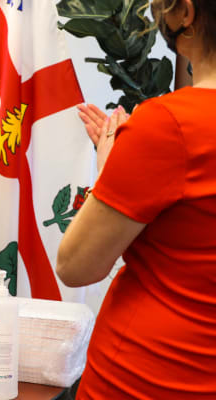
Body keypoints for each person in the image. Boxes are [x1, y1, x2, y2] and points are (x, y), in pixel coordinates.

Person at [56, 0, 216, 398]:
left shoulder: (169, 124)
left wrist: (110, 172)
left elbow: (76, 267)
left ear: (186, 14)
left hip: (152, 376)